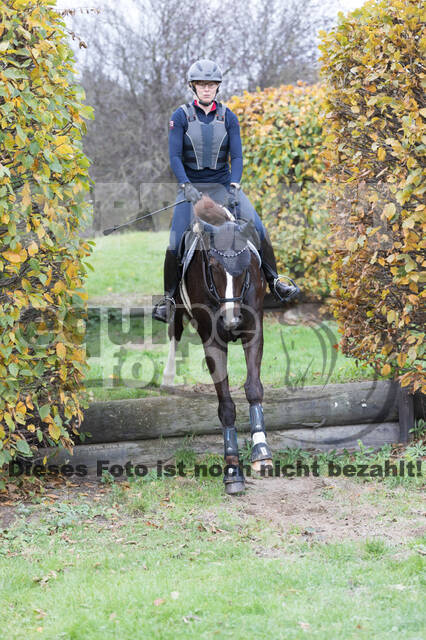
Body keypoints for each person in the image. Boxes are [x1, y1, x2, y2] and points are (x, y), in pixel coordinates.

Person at [152, 58, 300, 323]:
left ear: (217, 87)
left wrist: (234, 185)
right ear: (193, 87)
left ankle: (275, 281)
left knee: (257, 226)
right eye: (201, 84)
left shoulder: (228, 116)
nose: (206, 89)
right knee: (175, 241)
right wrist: (186, 186)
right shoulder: (180, 116)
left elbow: (238, 156)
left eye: (211, 85)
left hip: (222, 186)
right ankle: (169, 300)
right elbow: (174, 156)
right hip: (191, 189)